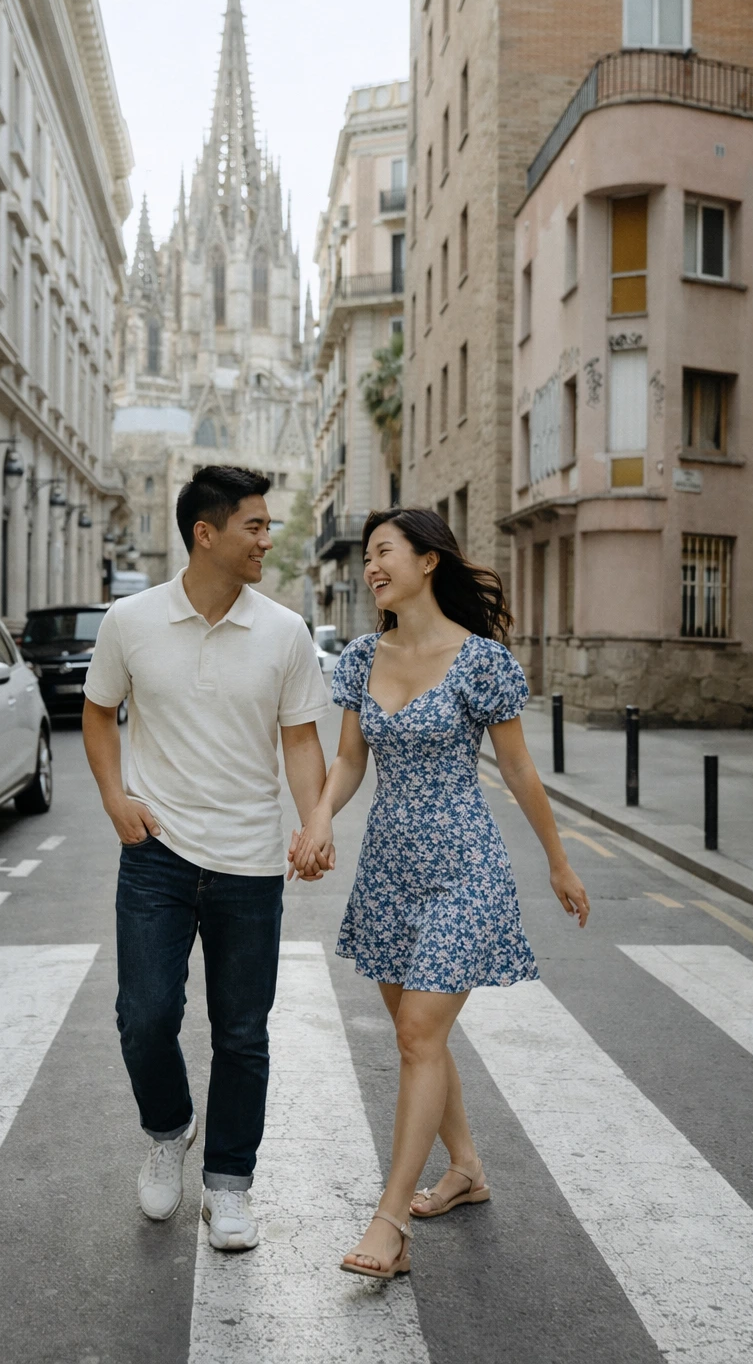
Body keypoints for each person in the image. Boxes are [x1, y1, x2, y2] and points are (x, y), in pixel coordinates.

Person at [289, 507, 589, 1280]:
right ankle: (466, 1169)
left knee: (420, 1034)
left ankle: (389, 1224)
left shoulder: (481, 661)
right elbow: (350, 761)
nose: (371, 568)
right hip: (389, 870)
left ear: (428, 561)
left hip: (464, 868)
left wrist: (558, 863)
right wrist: (319, 816)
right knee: (418, 1037)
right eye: (368, 557)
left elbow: (519, 771)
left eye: (384, 551)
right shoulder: (360, 657)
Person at [83, 465, 333, 1252]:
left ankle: (228, 1186)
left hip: (250, 862)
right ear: (207, 534)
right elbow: (97, 714)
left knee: (243, 1032)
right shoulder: (131, 620)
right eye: (256, 527)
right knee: (145, 1016)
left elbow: (300, 739)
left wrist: (315, 819)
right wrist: (114, 798)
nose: (268, 539)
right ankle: (168, 1129)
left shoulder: (285, 632)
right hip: (156, 852)